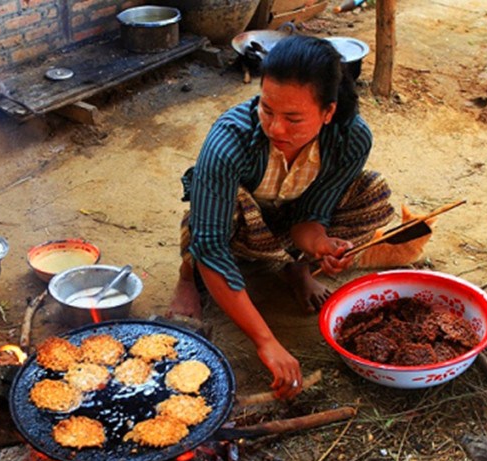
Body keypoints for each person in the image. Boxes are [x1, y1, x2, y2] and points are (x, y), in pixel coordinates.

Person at [168, 35, 394, 399]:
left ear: (328, 112)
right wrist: (266, 341)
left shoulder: (350, 138)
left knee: (371, 192)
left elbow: (311, 213)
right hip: (238, 226)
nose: (276, 129)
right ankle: (187, 276)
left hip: (288, 222)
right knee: (217, 222)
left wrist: (320, 244)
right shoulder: (230, 141)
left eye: (293, 118)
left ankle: (296, 268)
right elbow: (211, 243)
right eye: (267, 109)